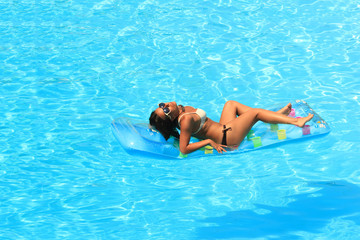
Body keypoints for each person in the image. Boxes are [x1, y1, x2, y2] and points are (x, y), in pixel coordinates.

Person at [149, 101, 314, 154]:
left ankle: (272, 117)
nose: (166, 105)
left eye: (162, 105)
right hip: (228, 138)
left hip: (224, 127)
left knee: (230, 104)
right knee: (255, 113)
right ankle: (295, 122)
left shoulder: (182, 109)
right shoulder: (184, 121)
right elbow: (184, 149)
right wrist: (208, 141)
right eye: (165, 110)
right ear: (171, 117)